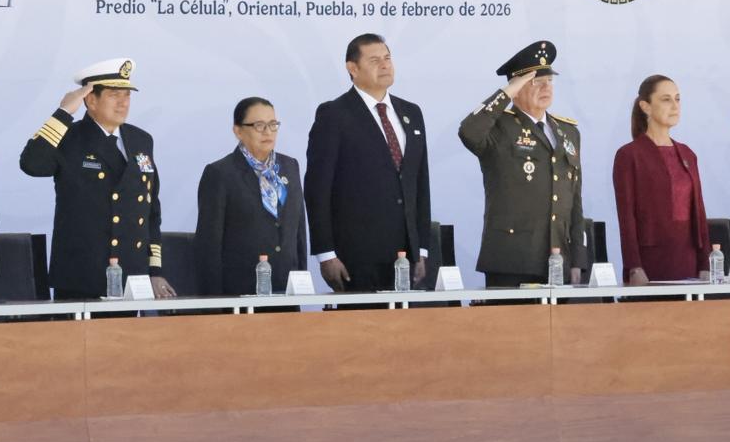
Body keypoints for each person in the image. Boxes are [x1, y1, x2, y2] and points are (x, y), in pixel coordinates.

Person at [19, 58, 175, 299]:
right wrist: (63, 113)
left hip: (132, 277)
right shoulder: (69, 137)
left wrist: (154, 270)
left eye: (127, 95)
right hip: (82, 276)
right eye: (114, 95)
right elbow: (32, 164)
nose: (123, 103)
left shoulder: (141, 140)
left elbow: (151, 211)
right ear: (91, 100)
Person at [305, 33, 430, 292]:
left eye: (387, 58)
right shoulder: (334, 114)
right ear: (352, 68)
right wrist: (326, 254)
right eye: (374, 61)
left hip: (406, 254)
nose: (385, 65)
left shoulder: (411, 112)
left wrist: (422, 249)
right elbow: (317, 189)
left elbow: (420, 184)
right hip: (356, 255)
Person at [459, 40, 589, 286]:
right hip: (512, 259)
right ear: (516, 89)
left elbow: (574, 201)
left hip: (558, 258)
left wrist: (578, 259)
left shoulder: (568, 132)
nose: (546, 87)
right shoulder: (499, 127)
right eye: (535, 81)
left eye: (549, 80)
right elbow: (468, 131)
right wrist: (506, 92)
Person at [194, 97, 307, 296]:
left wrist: (301, 282)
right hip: (239, 293)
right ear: (238, 131)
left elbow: (298, 232)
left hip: (286, 290)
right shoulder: (220, 173)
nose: (268, 132)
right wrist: (213, 303)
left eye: (273, 125)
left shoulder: (290, 166)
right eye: (259, 125)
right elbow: (209, 245)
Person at [612, 75, 710, 284]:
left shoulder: (687, 154)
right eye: (666, 99)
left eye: (678, 99)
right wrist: (633, 265)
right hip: (652, 260)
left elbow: (699, 212)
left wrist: (705, 263)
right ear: (645, 106)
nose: (675, 106)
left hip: (689, 257)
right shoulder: (629, 155)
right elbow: (626, 217)